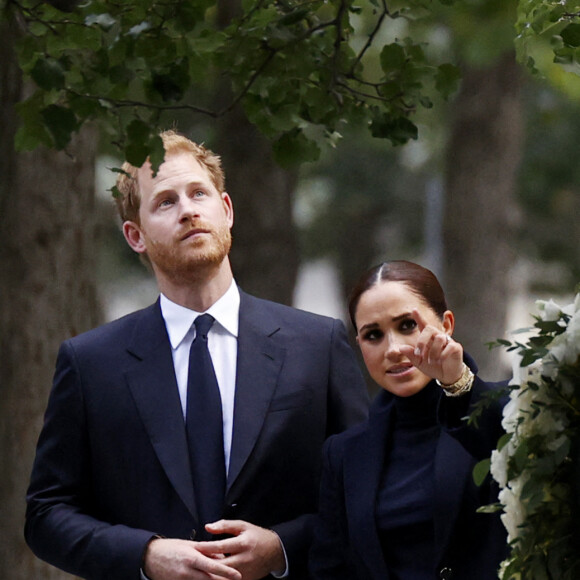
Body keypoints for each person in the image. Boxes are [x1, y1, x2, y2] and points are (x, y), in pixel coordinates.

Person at [25, 130, 369, 580]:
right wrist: (145, 555)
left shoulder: (317, 344)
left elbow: (366, 489)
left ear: (225, 210)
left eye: (198, 193)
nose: (188, 210)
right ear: (136, 236)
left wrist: (281, 547)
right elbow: (47, 514)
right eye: (165, 202)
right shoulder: (91, 363)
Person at [309, 260, 507, 580]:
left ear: (446, 325)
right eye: (373, 335)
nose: (394, 349)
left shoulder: (509, 410)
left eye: (407, 326)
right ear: (359, 345)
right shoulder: (344, 454)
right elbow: (329, 569)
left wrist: (458, 384)